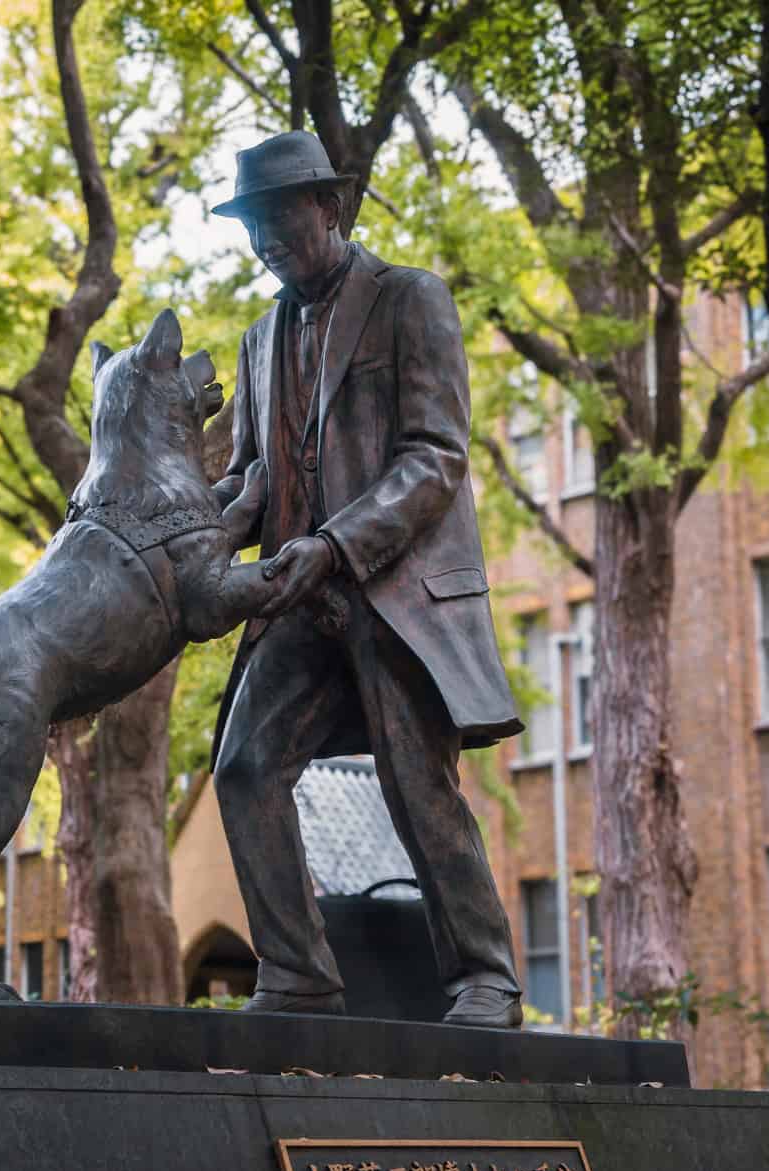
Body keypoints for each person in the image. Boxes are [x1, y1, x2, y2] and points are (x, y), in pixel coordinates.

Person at [208, 131, 526, 1028]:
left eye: (279, 218)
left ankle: (484, 976)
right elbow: (250, 477)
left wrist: (339, 544)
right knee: (244, 768)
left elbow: (435, 457)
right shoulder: (258, 338)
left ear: (330, 208)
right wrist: (202, 541)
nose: (266, 239)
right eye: (251, 225)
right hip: (298, 599)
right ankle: (300, 974)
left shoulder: (410, 299)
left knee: (415, 779)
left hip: (394, 592)